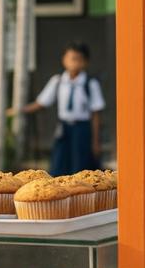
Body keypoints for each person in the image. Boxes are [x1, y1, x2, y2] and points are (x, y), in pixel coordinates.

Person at [9, 42, 106, 176]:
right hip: (64, 128)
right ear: (64, 60)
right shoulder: (58, 81)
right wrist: (19, 110)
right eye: (70, 58)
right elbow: (41, 102)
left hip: (83, 129)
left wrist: (96, 141)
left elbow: (96, 113)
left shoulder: (90, 83)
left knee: (81, 166)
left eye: (78, 59)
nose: (73, 63)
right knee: (59, 163)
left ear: (85, 62)